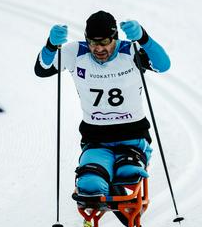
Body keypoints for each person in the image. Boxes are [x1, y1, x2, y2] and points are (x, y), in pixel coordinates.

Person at [34, 11, 170, 202]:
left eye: (104, 42)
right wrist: (50, 44)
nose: (98, 48)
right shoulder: (76, 52)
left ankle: (122, 192)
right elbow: (42, 70)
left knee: (128, 174)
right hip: (96, 138)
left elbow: (163, 65)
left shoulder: (130, 51)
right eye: (92, 42)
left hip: (133, 136)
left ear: (115, 37)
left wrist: (143, 37)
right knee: (90, 185)